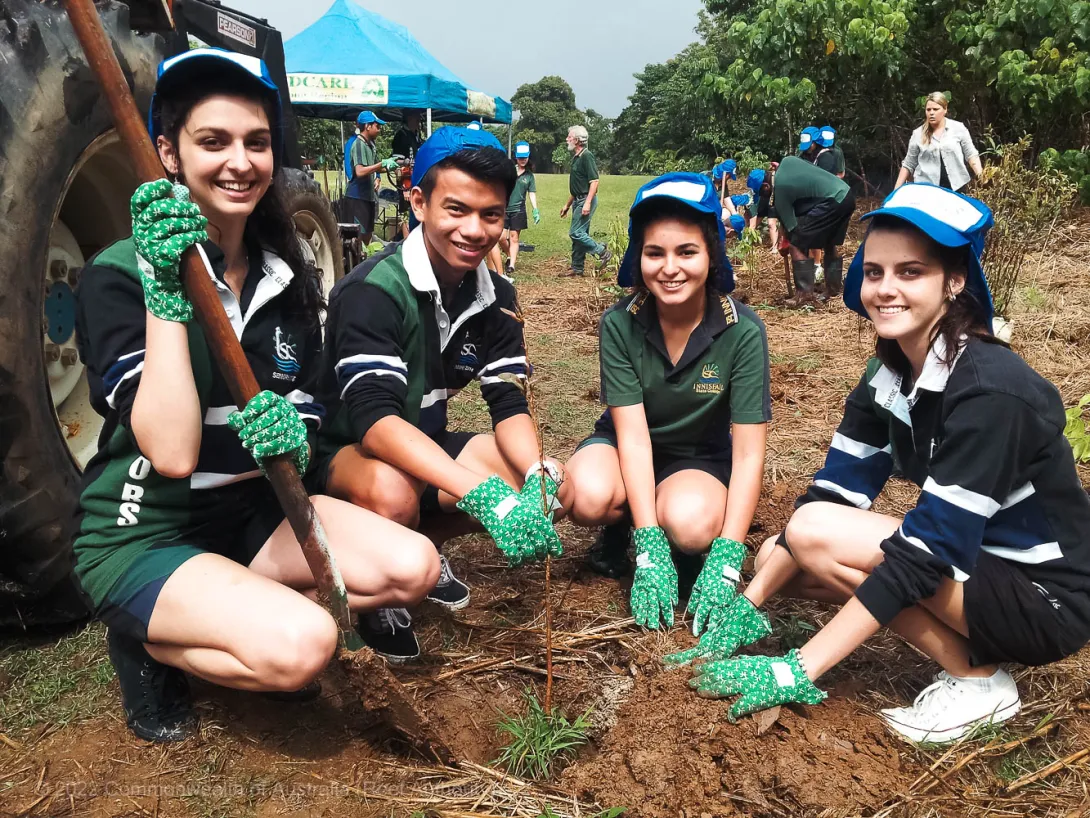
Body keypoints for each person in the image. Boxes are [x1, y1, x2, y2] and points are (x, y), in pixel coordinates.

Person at [71, 50, 440, 742]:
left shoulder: (283, 272)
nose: (239, 161)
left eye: (256, 142)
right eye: (213, 142)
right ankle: (143, 637)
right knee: (302, 650)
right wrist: (165, 290)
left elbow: (309, 396)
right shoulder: (118, 276)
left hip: (253, 506)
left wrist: (292, 427)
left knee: (414, 568)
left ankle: (235, 603)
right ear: (168, 155)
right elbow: (174, 450)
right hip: (149, 526)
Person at [670, 184, 1090, 744]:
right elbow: (834, 494)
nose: (885, 290)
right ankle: (970, 657)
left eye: (910, 273)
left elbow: (923, 553)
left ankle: (980, 680)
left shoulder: (992, 393)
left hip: (1043, 601)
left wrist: (797, 667)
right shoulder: (889, 375)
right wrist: (748, 603)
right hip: (976, 570)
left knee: (817, 537)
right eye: (874, 272)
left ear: (955, 281)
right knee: (780, 552)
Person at [311, 127, 569, 661]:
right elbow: (375, 423)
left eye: (491, 215)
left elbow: (509, 402)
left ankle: (426, 548)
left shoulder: (497, 296)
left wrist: (536, 469)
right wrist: (482, 496)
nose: (474, 230)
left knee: (535, 483)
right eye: (456, 209)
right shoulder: (372, 291)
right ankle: (376, 591)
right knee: (392, 491)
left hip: (421, 440)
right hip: (342, 452)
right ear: (419, 202)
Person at [567, 172, 771, 633]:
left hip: (697, 456)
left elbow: (749, 451)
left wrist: (728, 557)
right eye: (654, 253)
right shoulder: (620, 323)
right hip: (626, 446)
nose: (670, 267)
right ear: (638, 257)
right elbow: (634, 439)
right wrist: (647, 544)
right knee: (586, 496)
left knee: (693, 525)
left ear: (711, 255)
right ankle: (626, 530)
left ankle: (684, 544)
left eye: (687, 252)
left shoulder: (742, 330)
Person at [772, 155, 856, 303]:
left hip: (832, 201)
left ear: (766, 186)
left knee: (797, 243)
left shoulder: (780, 188)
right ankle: (833, 290)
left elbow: (792, 227)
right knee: (829, 241)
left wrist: (786, 243)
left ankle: (804, 295)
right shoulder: (788, 161)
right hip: (846, 195)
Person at [896, 92, 982, 191]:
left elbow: (971, 155)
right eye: (928, 110)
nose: (931, 113)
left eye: (936, 109)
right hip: (927, 190)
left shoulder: (958, 128)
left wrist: (981, 176)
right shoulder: (917, 134)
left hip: (957, 187)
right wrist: (895, 192)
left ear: (945, 110)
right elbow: (908, 164)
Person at [560, 125, 612, 276]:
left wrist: (587, 203)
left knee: (575, 232)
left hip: (585, 200)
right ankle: (577, 268)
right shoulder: (576, 158)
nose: (566, 139)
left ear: (576, 140)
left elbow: (594, 182)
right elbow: (577, 186)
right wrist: (567, 204)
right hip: (578, 199)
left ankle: (602, 251)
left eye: (569, 137)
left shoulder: (586, 156)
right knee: (580, 234)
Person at [344, 110, 399, 244]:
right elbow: (360, 171)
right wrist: (381, 163)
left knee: (368, 236)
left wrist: (388, 167)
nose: (379, 130)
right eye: (377, 126)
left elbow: (375, 168)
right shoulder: (358, 144)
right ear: (368, 126)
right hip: (357, 198)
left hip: (368, 197)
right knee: (357, 240)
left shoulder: (370, 146)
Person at [499, 141, 540, 275]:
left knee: (514, 238)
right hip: (504, 209)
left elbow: (532, 193)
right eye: (520, 157)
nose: (523, 160)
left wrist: (535, 209)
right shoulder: (509, 171)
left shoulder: (529, 176)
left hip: (518, 210)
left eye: (525, 157)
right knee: (501, 238)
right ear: (516, 156)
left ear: (528, 157)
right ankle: (509, 254)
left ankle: (511, 265)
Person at [392, 110, 425, 239]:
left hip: (416, 181)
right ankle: (407, 243)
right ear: (409, 118)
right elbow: (397, 163)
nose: (418, 120)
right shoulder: (401, 136)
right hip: (406, 183)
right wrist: (404, 187)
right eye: (416, 117)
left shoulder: (415, 135)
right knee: (405, 213)